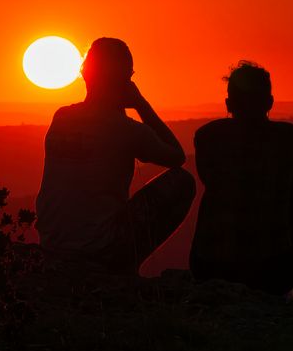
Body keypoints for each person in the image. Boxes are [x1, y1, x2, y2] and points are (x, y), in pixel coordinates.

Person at [35, 37, 195, 274]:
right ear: (125, 80)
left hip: (52, 245)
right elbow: (176, 157)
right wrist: (141, 104)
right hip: (99, 249)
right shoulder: (126, 129)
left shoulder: (61, 118)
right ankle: (121, 270)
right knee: (182, 182)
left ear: (85, 75)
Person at [189, 61, 293, 295]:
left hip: (209, 267)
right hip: (273, 273)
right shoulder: (292, 139)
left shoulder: (207, 137)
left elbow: (208, 178)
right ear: (269, 102)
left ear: (228, 103)